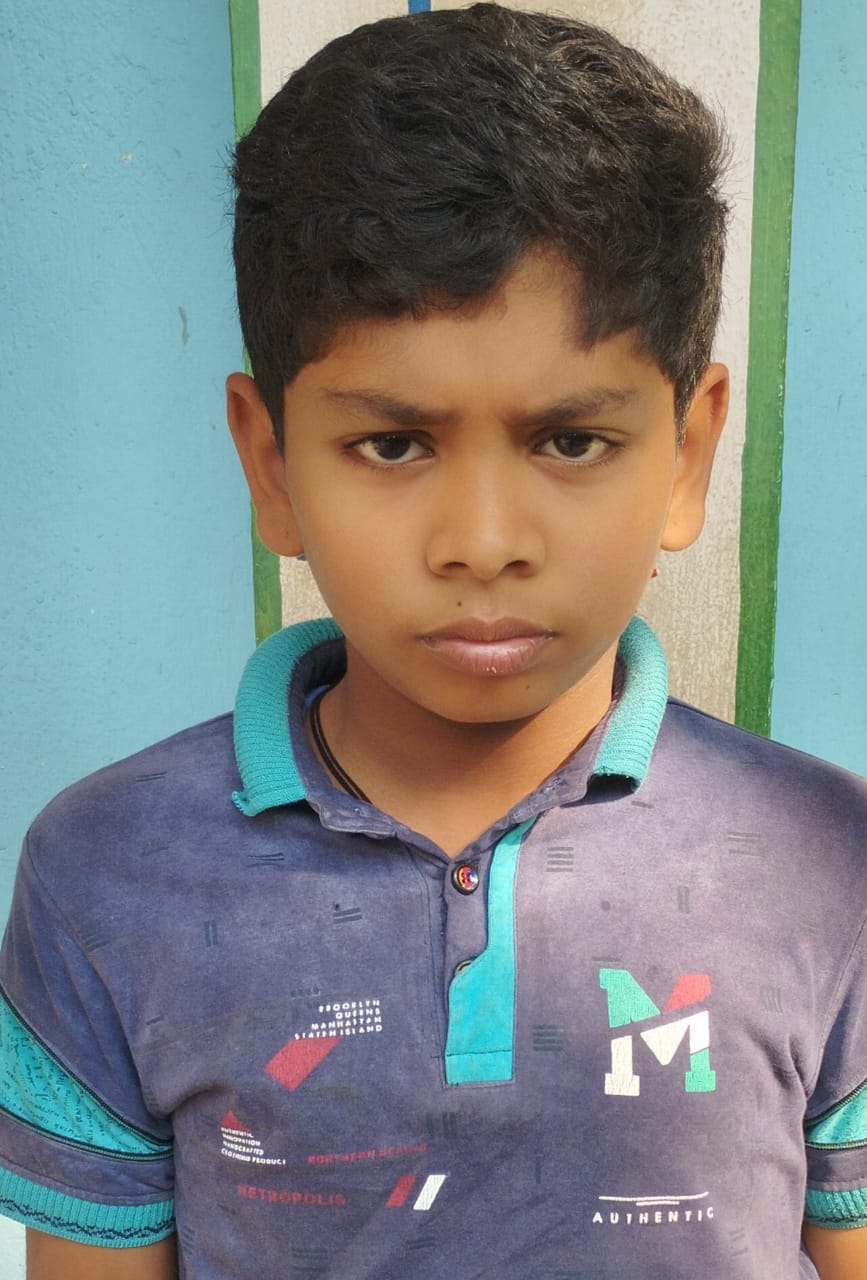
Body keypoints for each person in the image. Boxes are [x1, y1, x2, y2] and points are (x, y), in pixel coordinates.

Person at [1, 5, 864, 1278]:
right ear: (271, 464)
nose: (483, 541)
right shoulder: (108, 873)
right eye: (393, 443)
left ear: (687, 456)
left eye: (572, 439)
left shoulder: (834, 862)